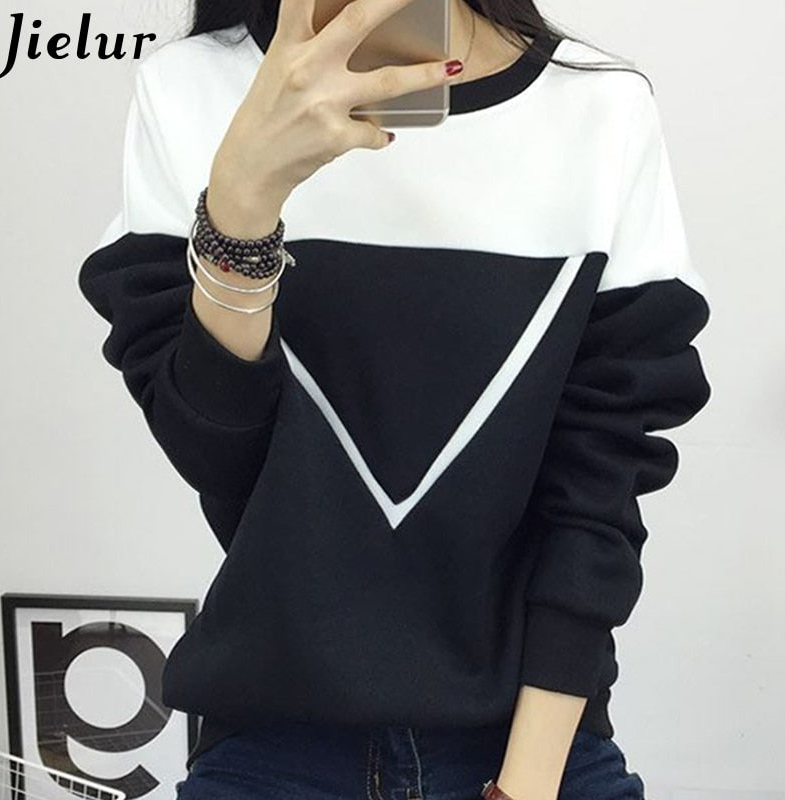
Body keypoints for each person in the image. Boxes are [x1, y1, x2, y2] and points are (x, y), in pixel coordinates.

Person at [77, 0, 713, 798]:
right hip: (273, 741)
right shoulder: (192, 90)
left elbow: (599, 487)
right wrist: (240, 203)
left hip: (532, 743)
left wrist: (525, 784)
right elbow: (216, 455)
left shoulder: (599, 107)